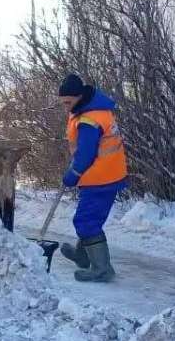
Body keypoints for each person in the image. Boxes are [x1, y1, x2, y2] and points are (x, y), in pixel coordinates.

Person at [55, 74, 128, 282]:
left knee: (86, 221)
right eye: (63, 103)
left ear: (80, 97)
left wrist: (73, 174)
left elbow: (86, 153)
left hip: (102, 177)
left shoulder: (89, 119)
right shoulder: (89, 109)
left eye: (68, 102)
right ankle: (83, 255)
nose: (66, 107)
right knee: (90, 218)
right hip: (106, 174)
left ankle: (102, 269)